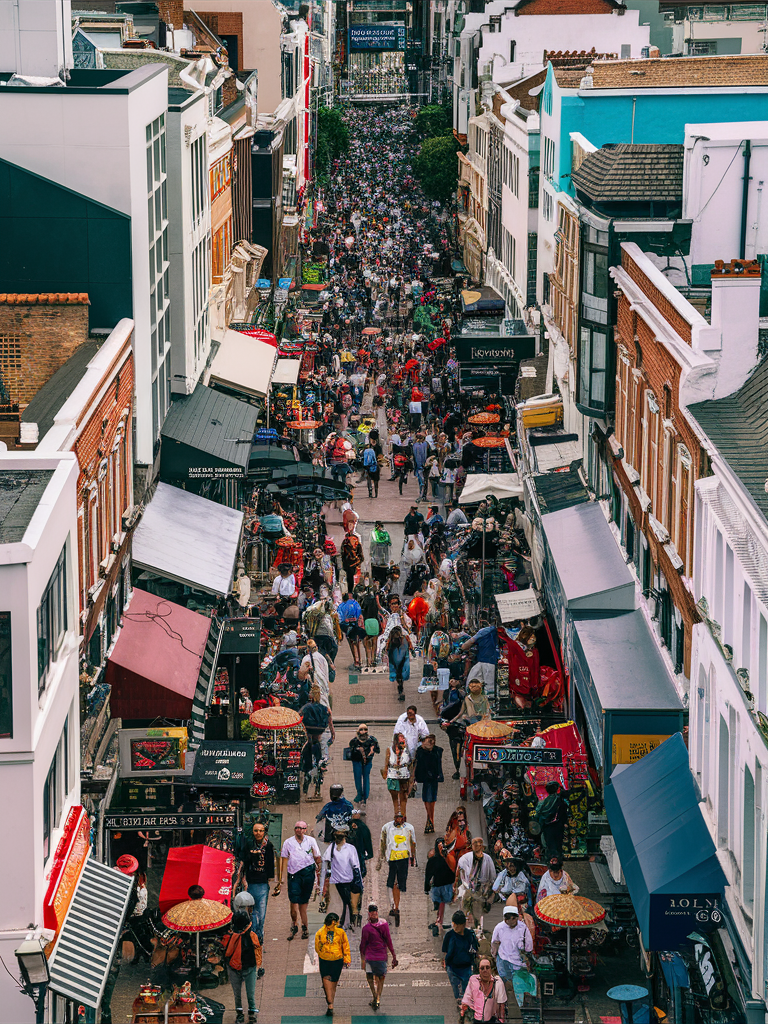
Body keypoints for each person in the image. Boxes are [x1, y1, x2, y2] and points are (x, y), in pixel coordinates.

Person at [275, 821, 322, 941]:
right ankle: (294, 923)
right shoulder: (288, 842)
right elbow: (284, 859)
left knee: (304, 903)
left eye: (302, 828)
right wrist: (281, 880)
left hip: (308, 874)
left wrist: (320, 874)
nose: (299, 830)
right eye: (297, 828)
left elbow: (317, 857)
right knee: (294, 901)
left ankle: (304, 926)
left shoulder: (311, 841)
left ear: (305, 830)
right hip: (294, 875)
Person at [377, 810, 417, 928]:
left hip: (404, 858)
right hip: (392, 858)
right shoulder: (386, 827)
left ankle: (396, 906)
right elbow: (383, 842)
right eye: (397, 817)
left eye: (401, 817)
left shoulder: (409, 828)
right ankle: (393, 906)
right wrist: (381, 858)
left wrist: (413, 857)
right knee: (392, 883)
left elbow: (413, 842)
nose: (399, 820)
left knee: (399, 883)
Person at [239, 821, 275, 945]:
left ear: (264, 832)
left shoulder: (268, 845)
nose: (258, 833)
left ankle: (259, 935)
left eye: (260, 830)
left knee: (261, 910)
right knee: (252, 911)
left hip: (262, 882)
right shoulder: (249, 844)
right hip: (250, 881)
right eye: (256, 830)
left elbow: (271, 863)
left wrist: (271, 879)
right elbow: (244, 861)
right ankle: (253, 934)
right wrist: (242, 879)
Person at [320, 826, 362, 930]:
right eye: (336, 835)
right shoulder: (332, 847)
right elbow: (325, 864)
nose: (338, 837)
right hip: (337, 881)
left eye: (340, 835)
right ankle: (345, 922)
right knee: (345, 902)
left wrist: (359, 882)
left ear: (345, 836)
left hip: (349, 880)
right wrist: (321, 886)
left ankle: (346, 922)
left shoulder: (350, 849)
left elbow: (356, 866)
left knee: (348, 902)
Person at [224, 911, 263, 1024]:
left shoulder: (231, 936)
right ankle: (251, 1014)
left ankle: (241, 1015)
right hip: (249, 968)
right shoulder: (252, 936)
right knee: (250, 994)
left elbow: (227, 953)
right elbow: (258, 951)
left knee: (238, 994)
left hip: (234, 968)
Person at [359, 903, 398, 1011]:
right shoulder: (384, 924)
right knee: (381, 978)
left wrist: (362, 958)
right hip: (381, 956)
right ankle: (377, 998)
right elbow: (388, 940)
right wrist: (393, 955)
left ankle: (375, 996)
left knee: (370, 978)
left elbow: (363, 945)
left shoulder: (366, 928)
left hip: (370, 957)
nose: (374, 914)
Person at [491, 904, 533, 1000]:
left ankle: (520, 1004)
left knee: (519, 986)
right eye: (508, 919)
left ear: (516, 918)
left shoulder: (523, 928)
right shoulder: (499, 927)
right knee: (505, 986)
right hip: (503, 961)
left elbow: (529, 946)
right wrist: (495, 955)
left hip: (518, 963)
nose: (510, 922)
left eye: (513, 919)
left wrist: (525, 954)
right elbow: (494, 943)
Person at [455, 837, 496, 934]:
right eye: (475, 845)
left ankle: (478, 933)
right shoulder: (465, 858)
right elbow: (461, 873)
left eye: (479, 845)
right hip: (468, 891)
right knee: (465, 913)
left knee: (478, 914)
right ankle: (463, 932)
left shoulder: (487, 859)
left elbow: (492, 876)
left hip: (481, 892)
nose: (477, 847)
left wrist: (490, 892)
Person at [314, 911, 351, 1017]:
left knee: (333, 982)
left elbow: (345, 946)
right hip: (325, 960)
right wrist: (323, 951)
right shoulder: (320, 933)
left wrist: (347, 959)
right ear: (334, 922)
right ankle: (330, 1003)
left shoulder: (340, 932)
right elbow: (317, 947)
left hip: (337, 960)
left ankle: (331, 1002)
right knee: (326, 980)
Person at [442, 910, 479, 1006]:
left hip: (466, 968)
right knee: (458, 993)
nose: (455, 927)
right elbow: (445, 952)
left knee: (467, 992)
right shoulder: (449, 935)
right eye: (454, 924)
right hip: (452, 968)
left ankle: (465, 1007)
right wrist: (445, 964)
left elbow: (475, 950)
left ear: (463, 924)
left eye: (458, 925)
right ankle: (460, 1006)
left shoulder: (470, 935)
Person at [424, 837, 456, 936]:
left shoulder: (448, 858)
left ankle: (440, 921)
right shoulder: (434, 860)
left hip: (445, 885)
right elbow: (428, 874)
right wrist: (426, 887)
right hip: (438, 886)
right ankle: (439, 921)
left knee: (443, 903)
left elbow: (453, 870)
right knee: (439, 903)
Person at [460, 956, 507, 1023]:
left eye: (487, 967)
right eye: (482, 968)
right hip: (476, 1019)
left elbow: (501, 1004)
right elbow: (467, 997)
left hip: (491, 1020)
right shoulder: (473, 980)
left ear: (491, 969)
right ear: (479, 970)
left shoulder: (498, 982)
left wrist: (501, 1020)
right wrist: (463, 1011)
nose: (485, 970)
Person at [461, 615, 500, 695]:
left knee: (486, 687)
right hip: (494, 661)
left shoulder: (483, 631)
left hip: (486, 662)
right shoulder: (500, 632)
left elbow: (465, 645)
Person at [414, 733, 444, 834]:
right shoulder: (420, 751)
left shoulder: (437, 751)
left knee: (432, 799)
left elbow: (437, 763)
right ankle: (430, 819)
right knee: (427, 798)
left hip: (434, 777)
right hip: (425, 777)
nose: (431, 743)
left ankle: (430, 819)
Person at [534, 781, 568, 862]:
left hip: (547, 826)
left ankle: (552, 858)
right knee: (557, 842)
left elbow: (538, 813)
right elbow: (565, 811)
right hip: (557, 825)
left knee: (550, 843)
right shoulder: (560, 800)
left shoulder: (544, 801)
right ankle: (557, 858)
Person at [348, 723, 380, 806]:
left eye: (365, 729)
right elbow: (351, 751)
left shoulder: (372, 740)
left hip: (368, 761)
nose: (363, 731)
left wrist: (372, 750)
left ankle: (365, 796)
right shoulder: (354, 741)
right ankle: (359, 795)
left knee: (366, 778)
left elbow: (377, 749)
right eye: (361, 730)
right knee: (358, 778)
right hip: (357, 761)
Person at [384, 732, 414, 818]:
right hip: (393, 774)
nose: (403, 741)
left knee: (403, 797)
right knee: (394, 797)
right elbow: (386, 763)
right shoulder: (389, 750)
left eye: (403, 739)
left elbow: (411, 763)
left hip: (404, 774)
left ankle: (404, 816)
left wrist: (412, 778)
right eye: (401, 739)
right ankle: (396, 815)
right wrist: (386, 774)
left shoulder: (407, 750)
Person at [337, 591, 364, 671]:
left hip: (347, 626)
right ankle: (359, 660)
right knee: (357, 642)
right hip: (355, 625)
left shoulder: (341, 606)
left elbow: (340, 618)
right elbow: (359, 613)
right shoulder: (355, 603)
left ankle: (356, 660)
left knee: (352, 643)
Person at [387, 626, 414, 701]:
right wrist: (412, 651)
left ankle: (400, 688)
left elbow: (387, 649)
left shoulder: (391, 639)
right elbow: (410, 646)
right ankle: (400, 688)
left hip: (396, 661)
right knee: (400, 675)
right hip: (402, 660)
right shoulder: (405, 638)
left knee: (398, 675)